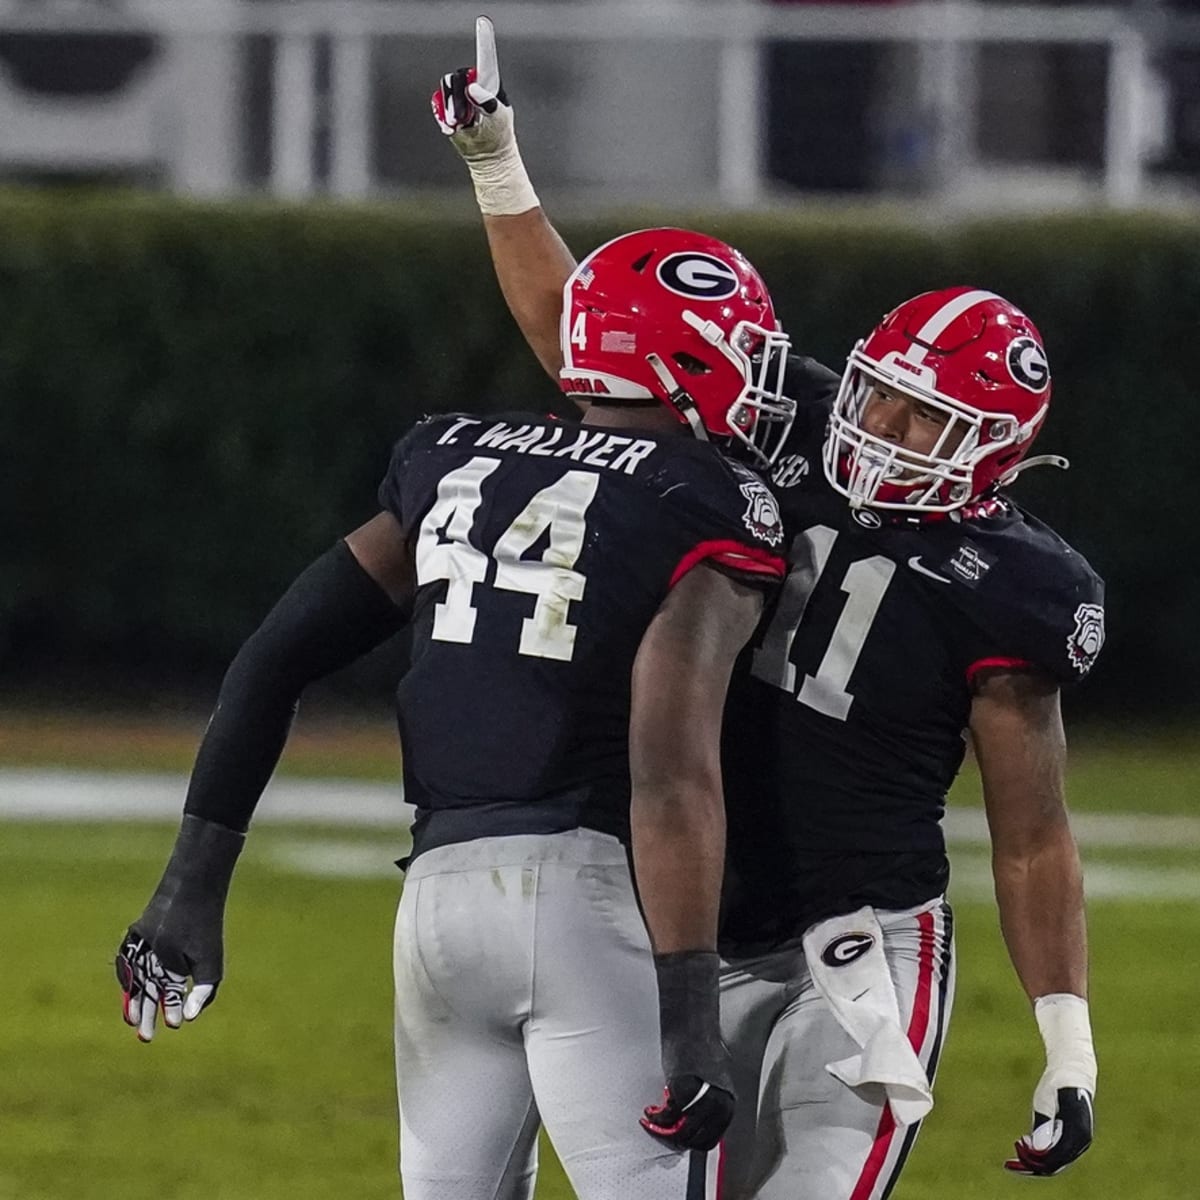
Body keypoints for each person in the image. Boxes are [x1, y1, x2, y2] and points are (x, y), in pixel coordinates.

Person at [431, 18, 1104, 1197]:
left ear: (995, 452)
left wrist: (1068, 1047)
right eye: (883, 398)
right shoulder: (790, 423)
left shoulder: (1018, 586)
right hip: (684, 930)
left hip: (863, 949)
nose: (881, 432)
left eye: (922, 422)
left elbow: (1032, 833)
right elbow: (578, 336)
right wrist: (498, 163)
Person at [114, 224, 800, 1198]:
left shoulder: (458, 454)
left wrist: (190, 888)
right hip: (585, 897)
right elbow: (671, 762)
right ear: (683, 358)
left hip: (438, 904)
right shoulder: (709, 497)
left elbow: (273, 661)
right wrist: (692, 1012)